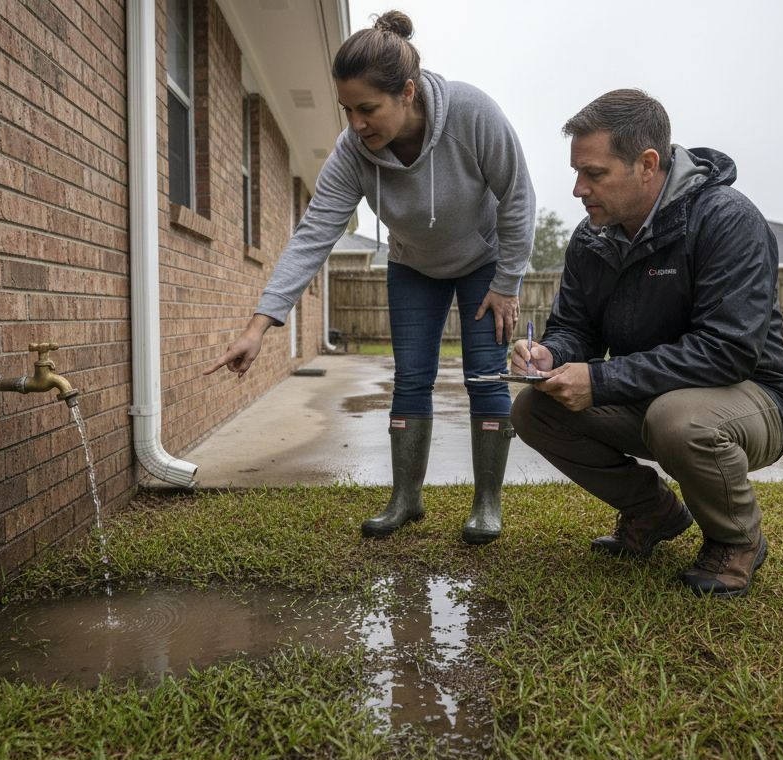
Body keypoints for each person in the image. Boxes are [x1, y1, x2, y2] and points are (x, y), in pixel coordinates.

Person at [205, 11, 536, 545]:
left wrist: (508, 282)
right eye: (347, 110)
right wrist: (259, 324)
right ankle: (406, 498)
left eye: (367, 109)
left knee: (485, 377)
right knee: (410, 378)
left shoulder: (472, 114)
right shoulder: (352, 154)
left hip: (483, 265)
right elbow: (312, 235)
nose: (356, 124)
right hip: (412, 266)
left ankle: (487, 503)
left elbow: (517, 196)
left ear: (407, 92)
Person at [510, 89, 783, 598]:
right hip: (650, 397)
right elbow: (575, 328)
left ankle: (736, 540)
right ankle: (653, 511)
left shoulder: (726, 220)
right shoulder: (591, 238)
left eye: (594, 173)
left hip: (754, 398)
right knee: (534, 409)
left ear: (647, 164)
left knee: (678, 418)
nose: (579, 188)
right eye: (577, 172)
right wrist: (551, 355)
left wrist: (600, 379)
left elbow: (727, 350)